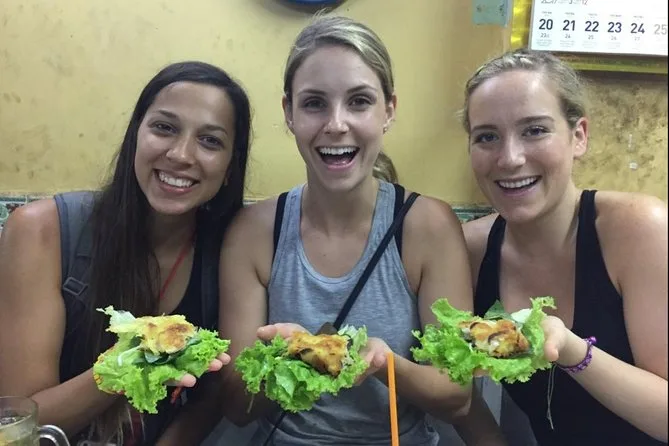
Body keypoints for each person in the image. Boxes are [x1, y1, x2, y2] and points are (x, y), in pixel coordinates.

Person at [218, 15, 474, 445]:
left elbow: (457, 397)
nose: (336, 124)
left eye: (359, 101)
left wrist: (384, 365)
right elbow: (235, 407)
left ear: (388, 110)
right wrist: (290, 357)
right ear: (289, 113)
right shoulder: (254, 232)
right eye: (314, 103)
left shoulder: (428, 226)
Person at [0, 61, 252, 446]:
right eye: (164, 127)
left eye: (210, 141)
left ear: (231, 167)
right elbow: (23, 423)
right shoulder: (40, 230)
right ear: (135, 135)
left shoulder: (233, 249)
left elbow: (211, 396)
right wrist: (132, 362)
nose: (181, 154)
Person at [454, 48, 668, 445]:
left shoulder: (637, 227)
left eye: (535, 130)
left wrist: (573, 351)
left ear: (579, 136)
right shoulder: (471, 250)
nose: (510, 158)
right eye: (487, 137)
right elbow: (455, 390)